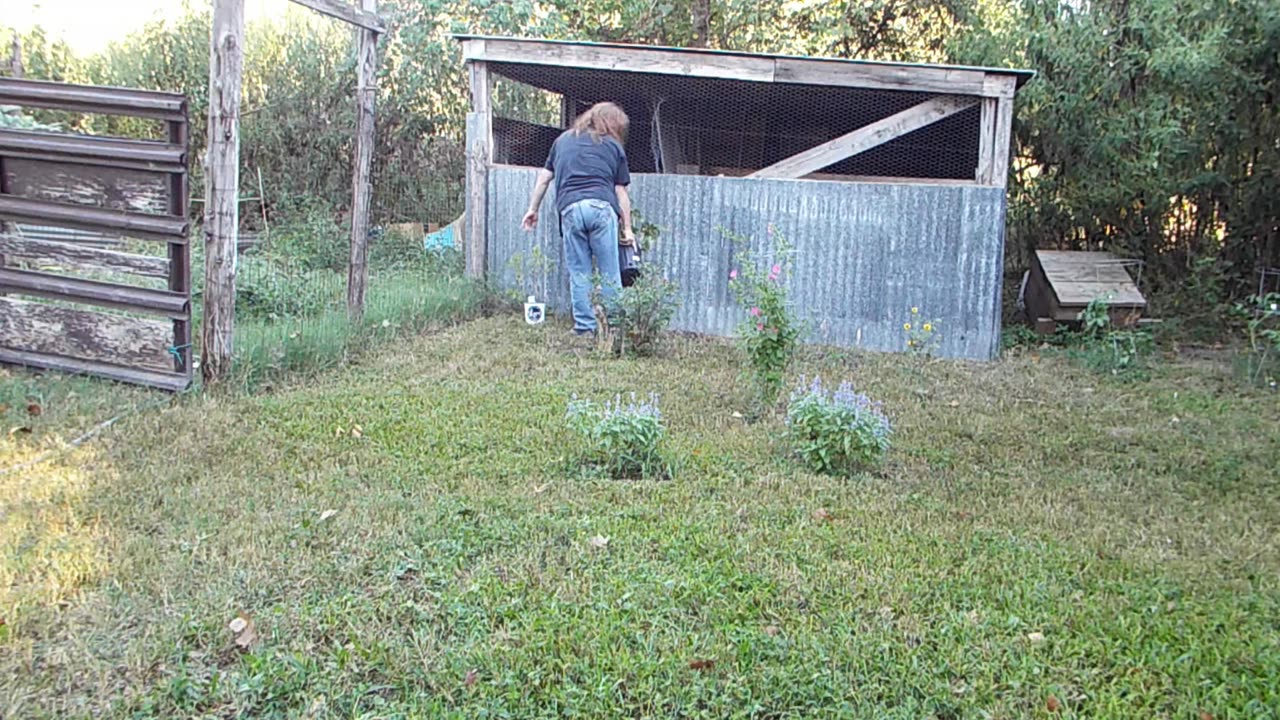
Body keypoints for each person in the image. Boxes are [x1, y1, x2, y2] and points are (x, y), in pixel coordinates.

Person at [521, 102, 635, 337]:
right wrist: (628, 228)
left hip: (570, 208)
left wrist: (533, 209)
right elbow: (620, 192)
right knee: (610, 273)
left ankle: (585, 329)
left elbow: (544, 178)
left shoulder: (562, 141)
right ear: (612, 124)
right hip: (602, 208)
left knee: (579, 272)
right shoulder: (613, 146)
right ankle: (614, 329)